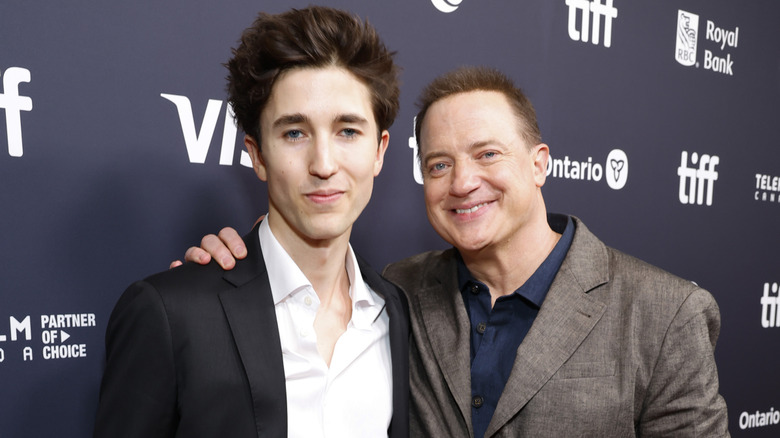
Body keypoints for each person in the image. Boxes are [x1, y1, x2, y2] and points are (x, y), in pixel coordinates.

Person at [181, 67, 729, 437]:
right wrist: (235, 268)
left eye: (487, 154)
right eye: (439, 164)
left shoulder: (663, 314)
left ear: (539, 163)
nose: (463, 183)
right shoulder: (393, 293)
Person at [95, 6, 409, 438]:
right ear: (257, 155)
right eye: (294, 133)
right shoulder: (172, 313)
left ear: (379, 151)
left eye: (348, 131)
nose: (323, 164)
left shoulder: (396, 313)